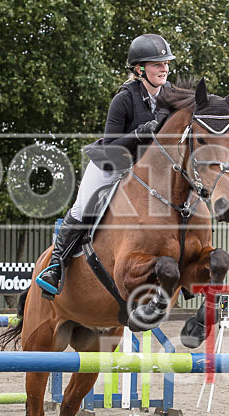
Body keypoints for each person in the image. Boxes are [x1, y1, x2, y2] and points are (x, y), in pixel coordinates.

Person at [36, 34, 176, 297]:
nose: (164, 68)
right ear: (140, 69)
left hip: (146, 171)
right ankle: (55, 267)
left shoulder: (170, 96)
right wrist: (139, 134)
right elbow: (111, 144)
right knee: (83, 208)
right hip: (111, 164)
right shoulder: (124, 98)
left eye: (166, 63)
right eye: (157, 64)